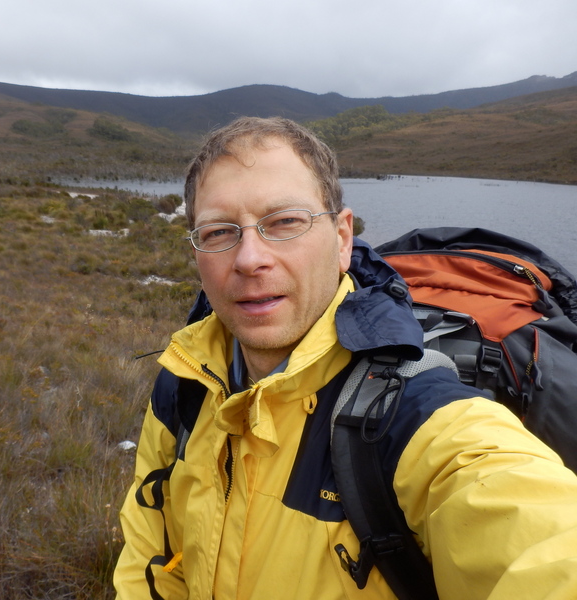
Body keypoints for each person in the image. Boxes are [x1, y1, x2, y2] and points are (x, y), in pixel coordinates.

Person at [113, 116, 577, 599]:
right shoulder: (185, 384)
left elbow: (541, 543)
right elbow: (149, 559)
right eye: (218, 232)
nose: (250, 258)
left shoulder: (414, 419)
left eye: (285, 222)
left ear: (341, 239)